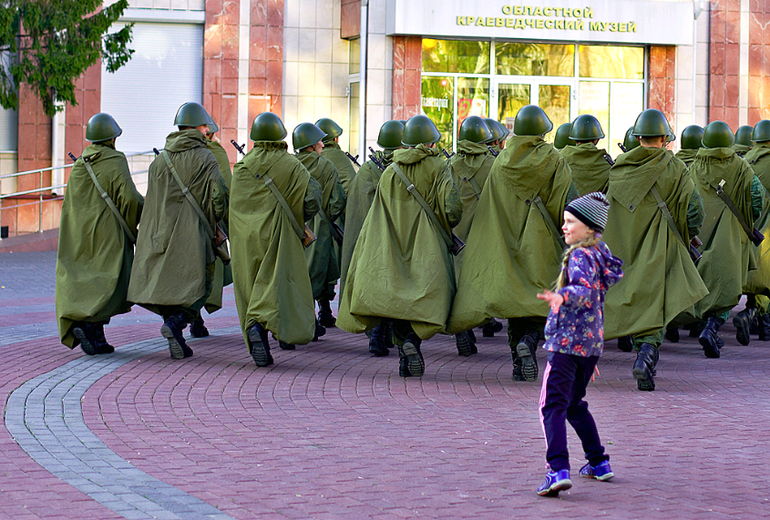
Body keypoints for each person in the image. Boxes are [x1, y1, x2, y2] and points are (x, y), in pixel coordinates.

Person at [449, 105, 576, 382]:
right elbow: (566, 204)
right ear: (543, 131)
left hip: (505, 241)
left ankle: (518, 358)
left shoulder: (501, 160)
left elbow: (491, 204)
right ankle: (529, 342)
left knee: (515, 299)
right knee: (540, 300)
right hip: (541, 243)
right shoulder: (554, 160)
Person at [337, 114, 462, 377]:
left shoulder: (390, 171)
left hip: (392, 244)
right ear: (429, 143)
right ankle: (412, 342)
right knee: (425, 295)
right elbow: (452, 209)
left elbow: (378, 214)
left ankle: (404, 343)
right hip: (428, 244)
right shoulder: (439, 167)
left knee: (398, 296)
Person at [603, 109, 707, 391]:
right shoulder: (675, 168)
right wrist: (688, 234)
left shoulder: (620, 168)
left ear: (637, 137)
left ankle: (643, 350)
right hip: (664, 246)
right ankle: (647, 354)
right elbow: (694, 210)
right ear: (664, 137)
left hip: (625, 247)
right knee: (657, 302)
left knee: (636, 299)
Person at [535, 192, 623, 497]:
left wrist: (562, 297)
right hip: (589, 345)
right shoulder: (600, 253)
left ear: (589, 228)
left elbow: (582, 292)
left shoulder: (580, 256)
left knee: (551, 405)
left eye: (570, 222)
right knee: (574, 405)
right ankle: (598, 462)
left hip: (566, 344)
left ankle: (557, 468)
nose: (564, 227)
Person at [127, 102, 228, 359]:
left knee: (170, 285)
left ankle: (175, 329)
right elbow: (219, 196)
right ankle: (176, 323)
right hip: (195, 234)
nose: (208, 130)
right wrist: (216, 221)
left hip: (162, 235)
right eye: (205, 125)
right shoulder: (207, 157)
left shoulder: (160, 160)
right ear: (196, 126)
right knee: (202, 284)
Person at [229, 112, 322, 366]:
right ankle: (264, 327)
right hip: (279, 233)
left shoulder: (242, 167)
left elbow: (232, 204)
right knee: (276, 285)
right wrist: (297, 216)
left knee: (250, 284)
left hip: (245, 238)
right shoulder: (290, 164)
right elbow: (313, 196)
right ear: (281, 135)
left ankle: (254, 326)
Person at [55, 113, 144, 355]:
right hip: (109, 233)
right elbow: (128, 198)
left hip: (79, 234)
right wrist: (141, 213)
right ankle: (90, 325)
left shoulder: (80, 163)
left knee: (89, 281)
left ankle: (93, 332)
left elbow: (71, 204)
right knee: (112, 281)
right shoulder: (115, 160)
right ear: (112, 138)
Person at [690, 121, 764, 357]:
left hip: (699, 235)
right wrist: (747, 220)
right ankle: (712, 328)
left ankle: (702, 324)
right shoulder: (741, 166)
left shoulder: (694, 166)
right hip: (731, 235)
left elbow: (687, 199)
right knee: (727, 284)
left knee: (703, 280)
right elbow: (757, 197)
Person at [339, 120, 404, 357]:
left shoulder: (367, 169)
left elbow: (355, 207)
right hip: (392, 239)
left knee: (374, 283)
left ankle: (378, 333)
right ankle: (385, 333)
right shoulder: (402, 169)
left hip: (367, 241)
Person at [293, 122, 347, 337]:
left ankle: (312, 317)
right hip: (320, 226)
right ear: (313, 145)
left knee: (300, 271)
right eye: (319, 142)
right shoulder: (326, 165)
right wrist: (328, 218)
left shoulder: (292, 165)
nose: (322, 145)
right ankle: (312, 319)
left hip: (296, 225)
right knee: (319, 271)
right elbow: (339, 198)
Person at [449, 115, 496, 354]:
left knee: (459, 280)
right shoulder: (494, 164)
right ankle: (485, 320)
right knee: (484, 279)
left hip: (458, 233)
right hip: (486, 230)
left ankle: (462, 328)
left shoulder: (450, 164)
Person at [188, 119, 234, 338]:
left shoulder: (178, 152)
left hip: (182, 222)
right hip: (209, 221)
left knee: (189, 269)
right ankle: (195, 319)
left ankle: (191, 317)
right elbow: (225, 189)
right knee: (207, 269)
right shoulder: (216, 152)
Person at [315, 117, 356, 326]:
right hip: (334, 222)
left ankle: (319, 310)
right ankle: (325, 310)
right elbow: (350, 188)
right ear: (335, 138)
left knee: (313, 265)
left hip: (309, 222)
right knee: (331, 265)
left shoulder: (306, 157)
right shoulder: (338, 157)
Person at [736, 119, 770, 342]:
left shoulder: (744, 161)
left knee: (754, 275)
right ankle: (757, 319)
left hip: (748, 229)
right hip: (768, 231)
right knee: (766, 277)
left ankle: (756, 318)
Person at [560, 114, 611, 194]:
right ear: (597, 139)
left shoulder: (560, 158)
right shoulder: (607, 163)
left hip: (566, 206)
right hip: (597, 206)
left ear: (574, 138)